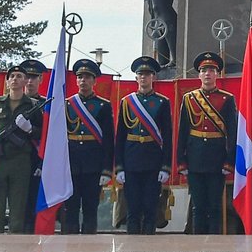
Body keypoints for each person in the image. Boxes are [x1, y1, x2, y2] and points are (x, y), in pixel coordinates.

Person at [0, 59, 45, 235]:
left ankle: (15, 247)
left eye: (19, 76)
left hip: (21, 160)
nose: (15, 79)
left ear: (25, 82)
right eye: (12, 76)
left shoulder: (32, 105)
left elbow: (44, 132)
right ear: (7, 82)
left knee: (18, 208)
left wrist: (30, 129)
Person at [178, 51, 239, 233]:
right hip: (195, 158)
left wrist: (229, 161)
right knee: (198, 207)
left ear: (217, 74)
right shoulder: (189, 99)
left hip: (217, 159)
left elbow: (232, 133)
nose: (207, 74)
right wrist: (181, 161)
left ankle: (215, 246)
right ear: (199, 74)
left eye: (211, 70)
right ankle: (199, 247)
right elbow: (182, 131)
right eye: (204, 70)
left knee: (215, 207)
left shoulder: (227, 99)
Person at [115, 56, 173, 234]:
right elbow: (120, 137)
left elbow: (168, 137)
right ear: (135, 78)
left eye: (147, 74)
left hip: (153, 161)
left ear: (153, 77)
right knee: (132, 209)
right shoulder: (127, 102)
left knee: (150, 208)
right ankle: (132, 247)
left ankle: (148, 248)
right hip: (131, 160)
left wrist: (165, 167)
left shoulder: (162, 102)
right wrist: (119, 168)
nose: (143, 78)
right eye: (140, 74)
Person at [59, 58, 114, 234]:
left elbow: (108, 141)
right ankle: (69, 245)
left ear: (94, 81)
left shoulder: (103, 106)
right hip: (71, 165)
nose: (83, 81)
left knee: (91, 208)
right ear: (76, 80)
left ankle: (89, 248)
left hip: (93, 165)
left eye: (87, 77)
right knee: (70, 209)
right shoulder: (67, 104)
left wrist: (106, 170)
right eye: (80, 77)